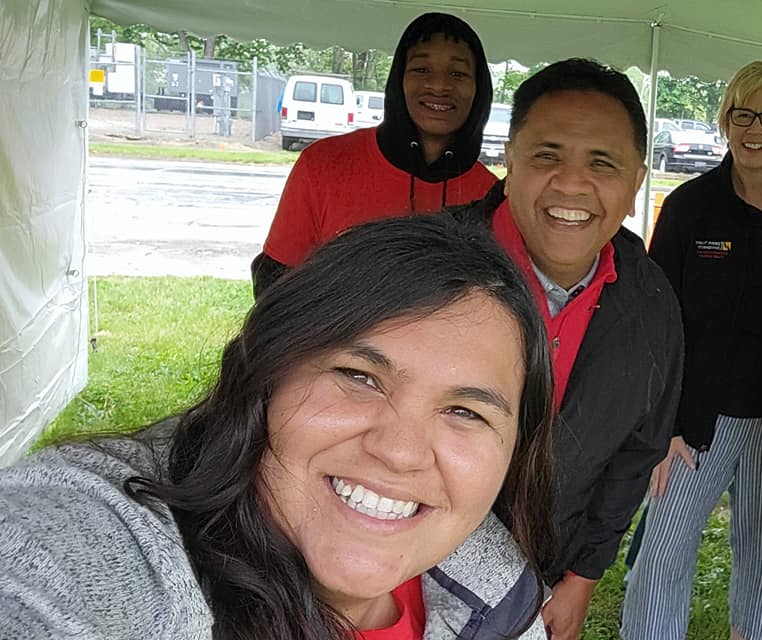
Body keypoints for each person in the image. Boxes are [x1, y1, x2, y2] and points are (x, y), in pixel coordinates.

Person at [0, 213, 556, 639]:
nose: (401, 452)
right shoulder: (96, 551)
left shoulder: (490, 583)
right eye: (359, 376)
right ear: (266, 375)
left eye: (465, 412)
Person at [448, 58, 684, 640]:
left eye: (602, 163)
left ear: (635, 182)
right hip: (405, 564)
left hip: (542, 575)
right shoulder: (424, 268)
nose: (572, 183)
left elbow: (638, 452)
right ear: (510, 159)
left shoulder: (652, 300)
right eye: (548, 155)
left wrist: (582, 578)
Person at [620, 60, 762, 640]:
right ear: (726, 120)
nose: (756, 128)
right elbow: (657, 318)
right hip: (697, 418)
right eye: (744, 113)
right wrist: (665, 420)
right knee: (663, 552)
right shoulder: (691, 206)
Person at [252, 12, 499, 295]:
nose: (439, 86)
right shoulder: (323, 164)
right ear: (398, 80)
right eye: (421, 69)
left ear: (479, 89)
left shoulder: (492, 196)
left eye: (458, 73)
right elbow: (274, 283)